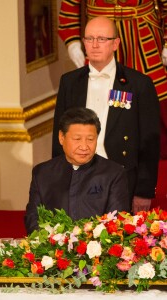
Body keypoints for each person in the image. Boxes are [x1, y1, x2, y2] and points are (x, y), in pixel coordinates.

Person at [52, 16, 160, 214]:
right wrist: (60, 182)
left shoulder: (139, 84)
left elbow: (149, 143)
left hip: (122, 178)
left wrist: (144, 191)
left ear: (116, 43)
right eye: (89, 39)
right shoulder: (69, 82)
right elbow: (59, 137)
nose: (94, 45)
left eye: (102, 39)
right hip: (78, 176)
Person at [58, 0, 167, 159]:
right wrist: (72, 40)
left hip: (144, 41)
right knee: (95, 107)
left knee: (154, 111)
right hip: (99, 39)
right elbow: (70, 4)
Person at [25, 107, 130, 235]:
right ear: (61, 137)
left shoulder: (114, 174)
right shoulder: (42, 173)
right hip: (52, 249)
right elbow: (33, 218)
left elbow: (117, 222)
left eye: (90, 139)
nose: (84, 146)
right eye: (77, 139)